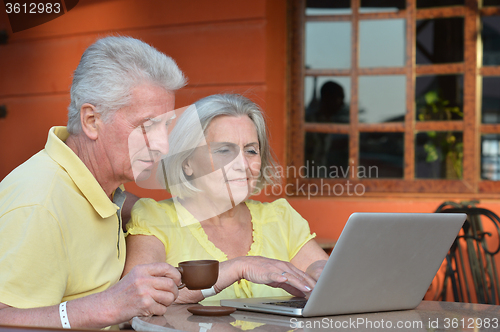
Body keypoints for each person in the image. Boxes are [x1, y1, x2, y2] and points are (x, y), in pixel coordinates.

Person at [0, 36, 186, 328]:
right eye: (146, 126)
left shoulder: (103, 185)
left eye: (166, 126)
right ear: (91, 120)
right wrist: (107, 305)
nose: (163, 145)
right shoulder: (39, 203)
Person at [123, 94, 329, 304]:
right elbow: (138, 301)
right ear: (187, 162)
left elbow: (325, 276)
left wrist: (319, 272)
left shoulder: (280, 218)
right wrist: (236, 268)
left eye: (251, 150)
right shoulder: (155, 219)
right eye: (224, 150)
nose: (242, 164)